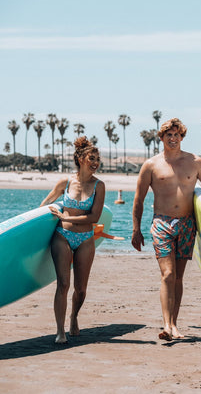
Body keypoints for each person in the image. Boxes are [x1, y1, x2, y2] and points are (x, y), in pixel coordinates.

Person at [131, 118, 201, 341]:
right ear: (161, 138)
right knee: (167, 274)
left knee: (178, 277)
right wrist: (136, 229)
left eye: (177, 135)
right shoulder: (151, 165)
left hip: (188, 224)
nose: (173, 138)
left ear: (182, 137)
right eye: (168, 135)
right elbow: (139, 199)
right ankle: (167, 325)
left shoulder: (195, 162)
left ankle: (175, 324)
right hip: (161, 223)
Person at [40, 136, 105, 344]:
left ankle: (74, 317)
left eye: (97, 159)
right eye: (91, 158)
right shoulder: (65, 182)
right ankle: (60, 331)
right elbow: (46, 202)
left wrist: (68, 217)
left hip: (85, 238)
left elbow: (94, 217)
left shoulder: (99, 186)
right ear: (80, 158)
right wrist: (39, 217)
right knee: (63, 284)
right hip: (62, 236)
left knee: (81, 289)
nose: (95, 163)